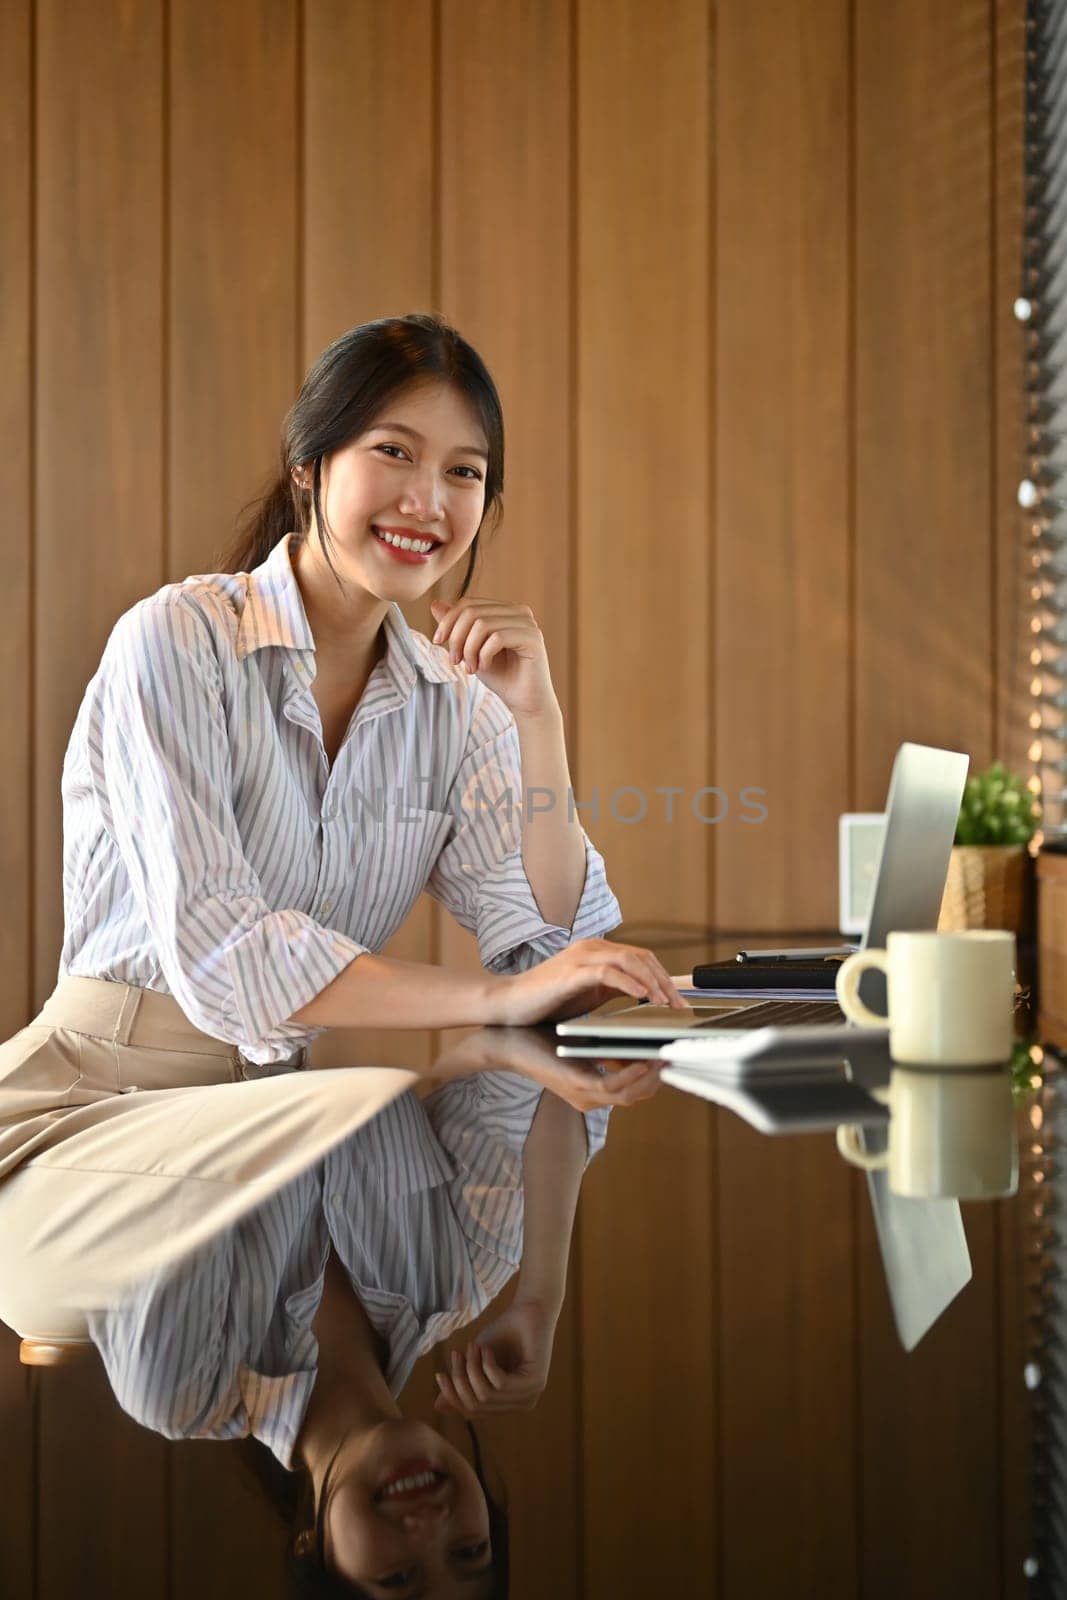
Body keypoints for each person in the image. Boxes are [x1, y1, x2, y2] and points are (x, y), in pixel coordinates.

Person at [0, 311, 685, 1380]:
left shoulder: (452, 710)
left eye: (463, 472)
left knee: (362, 1121)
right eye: (394, 454)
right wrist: (496, 1000)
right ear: (309, 468)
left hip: (280, 1121)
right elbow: (229, 960)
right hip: (81, 1115)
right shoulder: (177, 641)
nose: (428, 501)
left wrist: (537, 719)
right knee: (366, 1115)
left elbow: (552, 951)